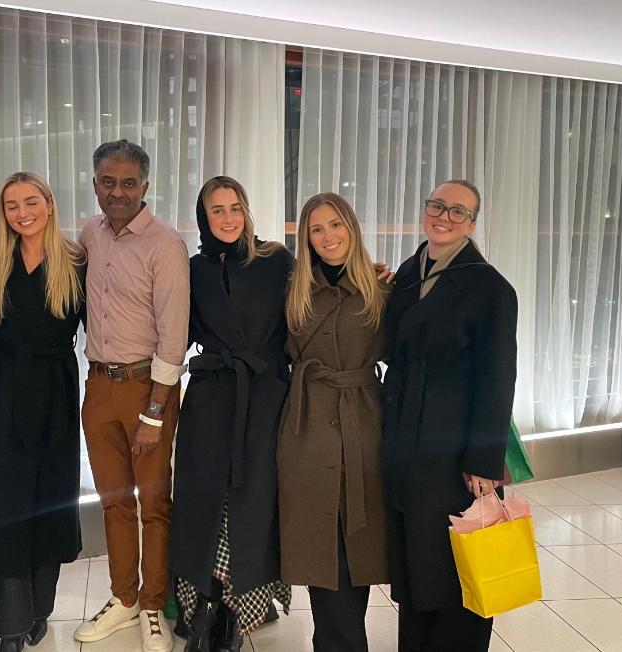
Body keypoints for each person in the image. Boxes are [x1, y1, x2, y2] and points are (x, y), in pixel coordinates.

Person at [381, 180, 517, 651]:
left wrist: (484, 461)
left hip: (453, 447)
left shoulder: (491, 288)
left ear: (472, 224)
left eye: (458, 211)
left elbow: (498, 379)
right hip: (404, 440)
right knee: (416, 562)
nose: (444, 217)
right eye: (437, 206)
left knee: (455, 565)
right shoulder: (408, 272)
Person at [74, 139, 189, 652]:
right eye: (107, 182)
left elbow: (173, 338)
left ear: (145, 186)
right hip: (98, 386)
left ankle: (153, 605)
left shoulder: (165, 245)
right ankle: (123, 598)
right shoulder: (90, 234)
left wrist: (155, 413)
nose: (117, 192)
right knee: (114, 501)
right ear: (95, 184)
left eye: (127, 183)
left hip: (148, 389)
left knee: (154, 504)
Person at [170, 177, 294, 652]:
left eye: (234, 207)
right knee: (204, 498)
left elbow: (310, 304)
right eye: (216, 209)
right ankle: (205, 605)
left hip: (264, 397)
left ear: (246, 210)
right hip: (209, 396)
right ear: (204, 217)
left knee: (251, 501)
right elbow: (171, 323)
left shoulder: (276, 259)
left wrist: (375, 282)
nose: (227, 218)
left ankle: (237, 611)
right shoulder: (194, 267)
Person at [0, 172, 87, 652]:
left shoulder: (77, 261)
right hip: (5, 389)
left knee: (50, 498)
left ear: (50, 204)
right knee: (7, 502)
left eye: (31, 201)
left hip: (57, 388)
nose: (22, 213)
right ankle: (11, 625)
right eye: (12, 205)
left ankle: (40, 609)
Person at [278, 192, 390, 652]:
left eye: (336, 224)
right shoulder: (292, 290)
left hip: (364, 422)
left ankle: (341, 641)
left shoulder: (383, 289)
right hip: (307, 426)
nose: (328, 237)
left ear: (352, 227)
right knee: (318, 542)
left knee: (357, 543)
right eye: (317, 229)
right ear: (306, 238)